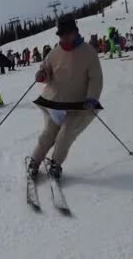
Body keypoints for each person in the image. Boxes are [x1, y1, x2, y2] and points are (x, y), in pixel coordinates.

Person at [28, 17, 103, 180]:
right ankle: (35, 161)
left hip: (79, 104)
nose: (64, 38)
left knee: (66, 134)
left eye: (67, 34)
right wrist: (42, 75)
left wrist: (92, 98)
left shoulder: (88, 52)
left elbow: (95, 78)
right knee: (49, 133)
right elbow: (46, 70)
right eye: (61, 35)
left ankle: (55, 163)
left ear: (75, 32)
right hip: (54, 101)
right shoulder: (55, 52)